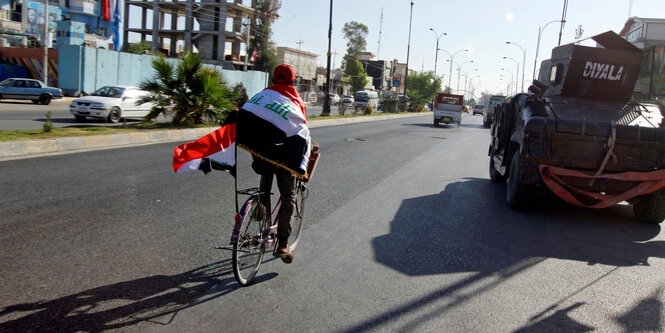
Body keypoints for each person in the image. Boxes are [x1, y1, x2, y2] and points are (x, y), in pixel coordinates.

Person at [245, 64, 317, 264]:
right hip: (281, 155)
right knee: (288, 195)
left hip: (257, 150)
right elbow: (301, 129)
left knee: (265, 167)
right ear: (293, 81)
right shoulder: (295, 99)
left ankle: (261, 210)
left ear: (273, 79)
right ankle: (283, 243)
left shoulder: (262, 94)